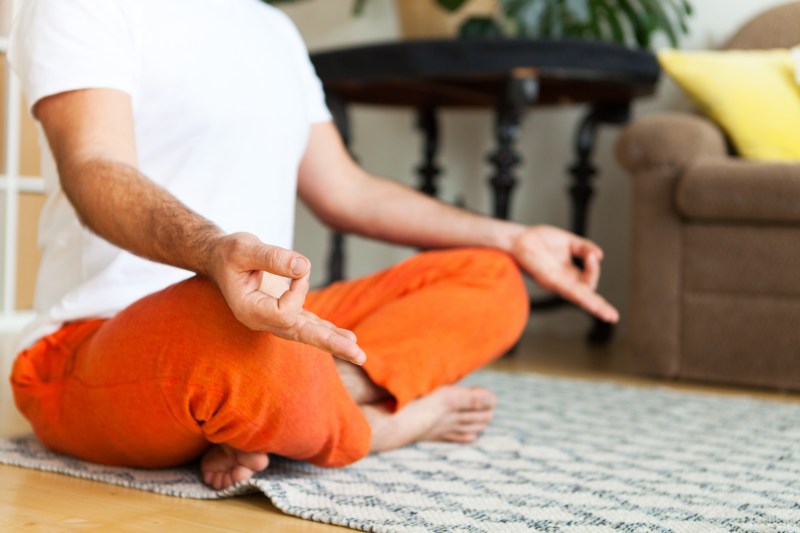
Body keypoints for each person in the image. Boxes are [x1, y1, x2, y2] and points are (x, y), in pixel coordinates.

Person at [8, 0, 618, 490]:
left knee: (492, 280)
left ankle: (289, 408)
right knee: (227, 337)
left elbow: (347, 190)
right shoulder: (76, 4)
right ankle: (375, 427)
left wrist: (514, 237)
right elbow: (93, 165)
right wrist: (213, 251)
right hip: (99, 346)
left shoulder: (273, 28)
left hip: (271, 324)